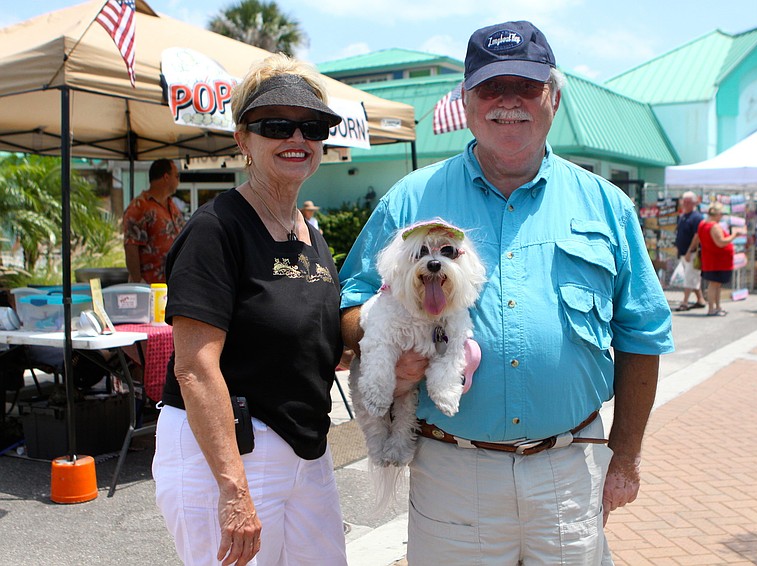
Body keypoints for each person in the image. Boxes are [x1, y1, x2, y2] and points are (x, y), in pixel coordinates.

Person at [340, 20, 674, 565]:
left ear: (555, 98)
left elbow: (643, 335)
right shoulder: (410, 201)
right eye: (492, 87)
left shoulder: (607, 206)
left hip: (568, 470)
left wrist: (626, 458)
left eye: (526, 86)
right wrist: (383, 341)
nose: (509, 103)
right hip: (451, 473)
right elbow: (348, 307)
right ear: (467, 102)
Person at [152, 54, 347, 566]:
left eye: (311, 127)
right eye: (276, 125)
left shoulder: (313, 237)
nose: (297, 139)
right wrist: (234, 490)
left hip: (307, 448)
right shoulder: (216, 229)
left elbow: (317, 343)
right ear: (243, 139)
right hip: (229, 452)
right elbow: (194, 367)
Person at [122, 158, 185, 284]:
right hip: (151, 287)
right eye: (177, 176)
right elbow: (131, 247)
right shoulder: (139, 207)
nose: (179, 180)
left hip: (175, 283)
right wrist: (137, 282)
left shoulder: (171, 205)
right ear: (166, 177)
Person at [687, 202, 738, 316]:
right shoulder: (714, 226)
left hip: (712, 259)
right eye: (721, 214)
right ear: (717, 214)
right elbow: (720, 242)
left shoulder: (702, 224)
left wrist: (690, 251)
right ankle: (712, 308)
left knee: (716, 284)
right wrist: (734, 235)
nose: (722, 217)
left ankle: (717, 307)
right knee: (714, 285)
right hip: (717, 260)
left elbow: (697, 238)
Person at [674, 191, 706, 311]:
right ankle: (700, 300)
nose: (686, 204)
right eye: (684, 201)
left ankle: (685, 302)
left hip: (692, 254)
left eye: (688, 202)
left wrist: (689, 251)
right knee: (692, 277)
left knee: (689, 277)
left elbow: (697, 236)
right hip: (683, 253)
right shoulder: (683, 216)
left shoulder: (697, 217)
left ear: (694, 203)